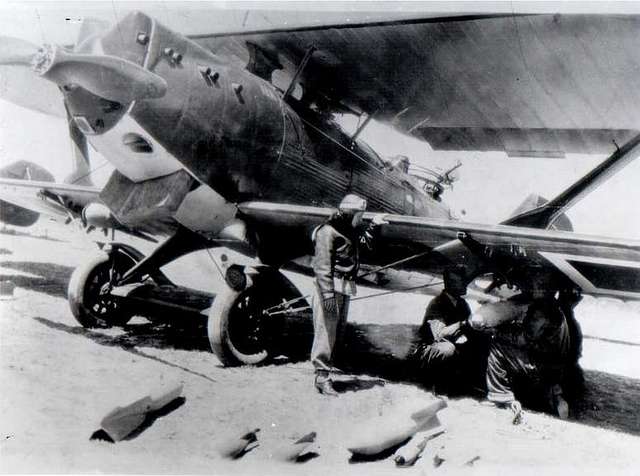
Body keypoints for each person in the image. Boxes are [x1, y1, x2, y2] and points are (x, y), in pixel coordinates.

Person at [310, 193, 382, 396]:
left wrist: (374, 225)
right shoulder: (327, 231)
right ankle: (321, 378)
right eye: (360, 214)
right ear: (352, 213)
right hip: (331, 289)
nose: (361, 218)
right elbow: (321, 267)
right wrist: (327, 296)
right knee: (326, 333)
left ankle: (327, 374)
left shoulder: (348, 230)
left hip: (344, 288)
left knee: (336, 333)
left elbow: (365, 245)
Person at [484, 296, 571, 421]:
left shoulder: (542, 312)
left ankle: (500, 396)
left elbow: (526, 338)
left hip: (541, 368)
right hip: (554, 368)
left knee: (498, 347)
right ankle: (555, 396)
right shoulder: (558, 313)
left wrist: (496, 331)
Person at [410, 266, 486, 393]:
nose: (465, 286)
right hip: (429, 348)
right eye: (461, 282)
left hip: (451, 343)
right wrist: (462, 324)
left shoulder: (461, 303)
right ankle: (433, 384)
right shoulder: (437, 303)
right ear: (450, 284)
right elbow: (439, 334)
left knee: (483, 340)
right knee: (447, 349)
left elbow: (469, 328)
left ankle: (473, 382)